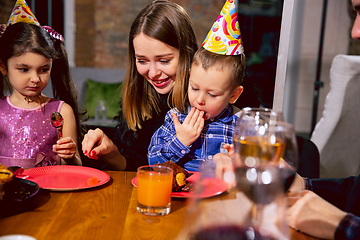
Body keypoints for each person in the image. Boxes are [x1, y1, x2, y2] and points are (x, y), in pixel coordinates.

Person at [81, 0, 198, 171]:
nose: (152, 73)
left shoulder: (212, 97)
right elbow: (136, 169)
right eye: (142, 60)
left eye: (164, 60)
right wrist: (112, 153)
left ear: (187, 54)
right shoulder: (138, 99)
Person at [0, 1, 83, 167]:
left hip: (51, 191)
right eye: (24, 69)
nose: (36, 78)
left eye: (43, 70)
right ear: (3, 67)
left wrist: (70, 155)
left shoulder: (62, 112)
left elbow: (75, 168)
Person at [148, 45, 245, 171]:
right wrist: (180, 141)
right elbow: (152, 160)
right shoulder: (176, 118)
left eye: (212, 94)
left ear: (233, 95)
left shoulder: (242, 124)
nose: (199, 100)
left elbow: (259, 167)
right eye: (194, 88)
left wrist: (238, 160)